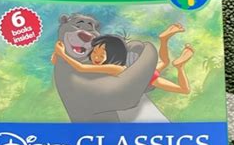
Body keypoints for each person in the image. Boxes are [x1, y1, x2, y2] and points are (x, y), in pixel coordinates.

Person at [52, 24, 194, 95]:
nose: (96, 57)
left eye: (102, 55)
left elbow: (81, 68)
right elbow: (74, 64)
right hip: (142, 73)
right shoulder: (106, 63)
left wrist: (62, 54)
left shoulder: (114, 68)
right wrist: (58, 56)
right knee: (165, 62)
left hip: (147, 80)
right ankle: (163, 39)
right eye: (95, 52)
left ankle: (180, 66)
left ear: (113, 55)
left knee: (184, 90)